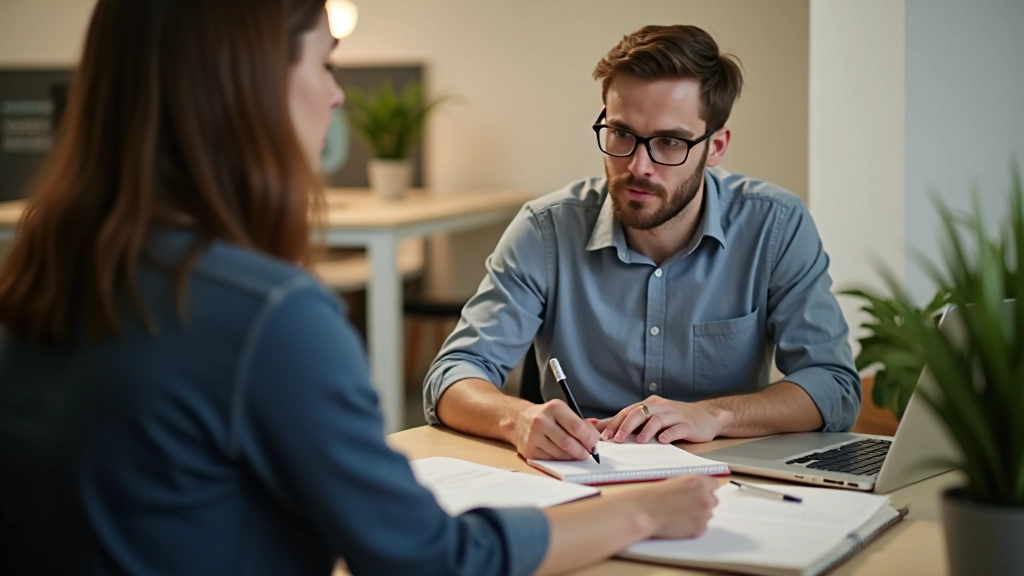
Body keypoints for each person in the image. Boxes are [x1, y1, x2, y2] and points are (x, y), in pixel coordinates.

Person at [0, 2, 719, 575]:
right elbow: (426, 557)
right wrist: (642, 514)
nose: (338, 95)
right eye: (325, 63)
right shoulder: (270, 316)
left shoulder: (34, 275)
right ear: (248, 84)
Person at [424, 24, 861, 462]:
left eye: (669, 142)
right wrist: (516, 419)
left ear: (717, 146)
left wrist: (715, 415)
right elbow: (452, 375)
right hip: (580, 482)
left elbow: (833, 385)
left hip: (730, 482)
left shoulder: (775, 226)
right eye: (622, 134)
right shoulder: (545, 230)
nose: (638, 165)